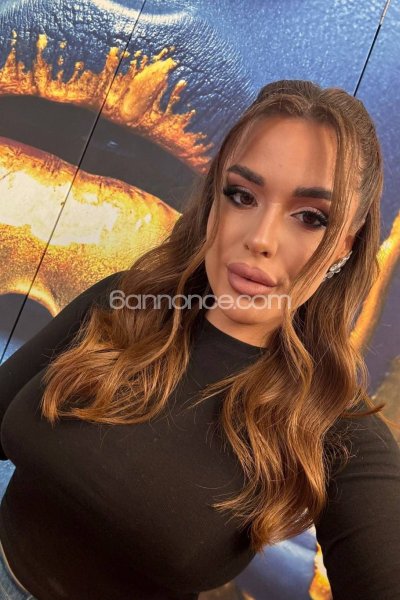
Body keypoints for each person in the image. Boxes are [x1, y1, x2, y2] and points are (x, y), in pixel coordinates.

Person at [0, 79, 399, 600]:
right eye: (242, 195)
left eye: (309, 217)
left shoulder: (335, 424)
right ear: (215, 201)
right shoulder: (126, 301)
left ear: (345, 244)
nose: (260, 238)